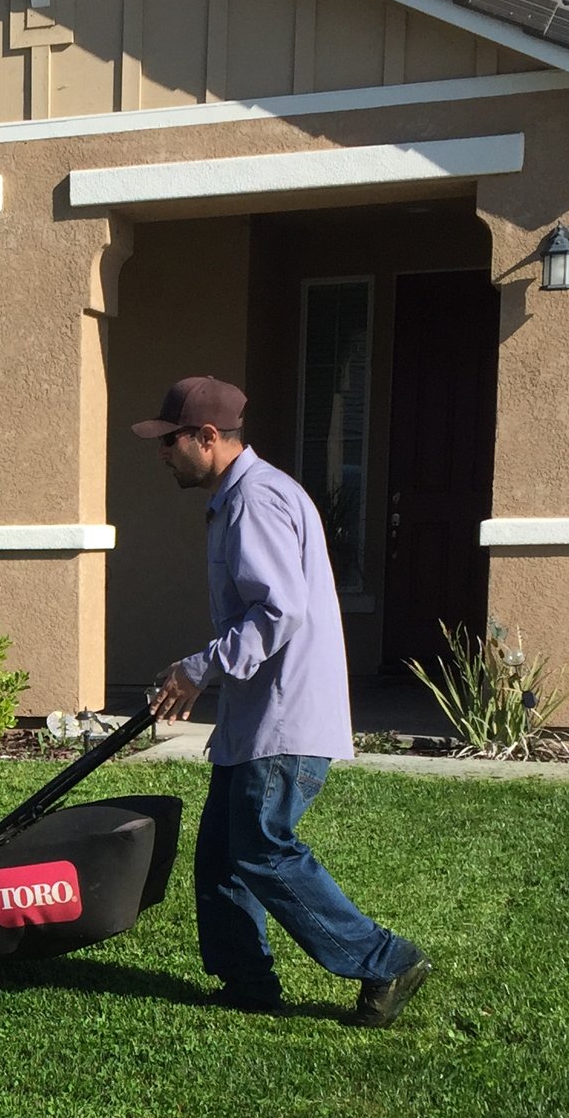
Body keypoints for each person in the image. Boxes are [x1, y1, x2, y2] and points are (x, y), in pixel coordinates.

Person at [136, 376, 430, 1026]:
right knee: (220, 851)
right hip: (256, 715)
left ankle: (385, 958)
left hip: (283, 716)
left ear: (208, 438)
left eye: (171, 441)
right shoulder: (238, 499)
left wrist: (199, 667)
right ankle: (246, 980)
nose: (162, 454)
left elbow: (278, 611)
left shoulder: (257, 501)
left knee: (261, 848)